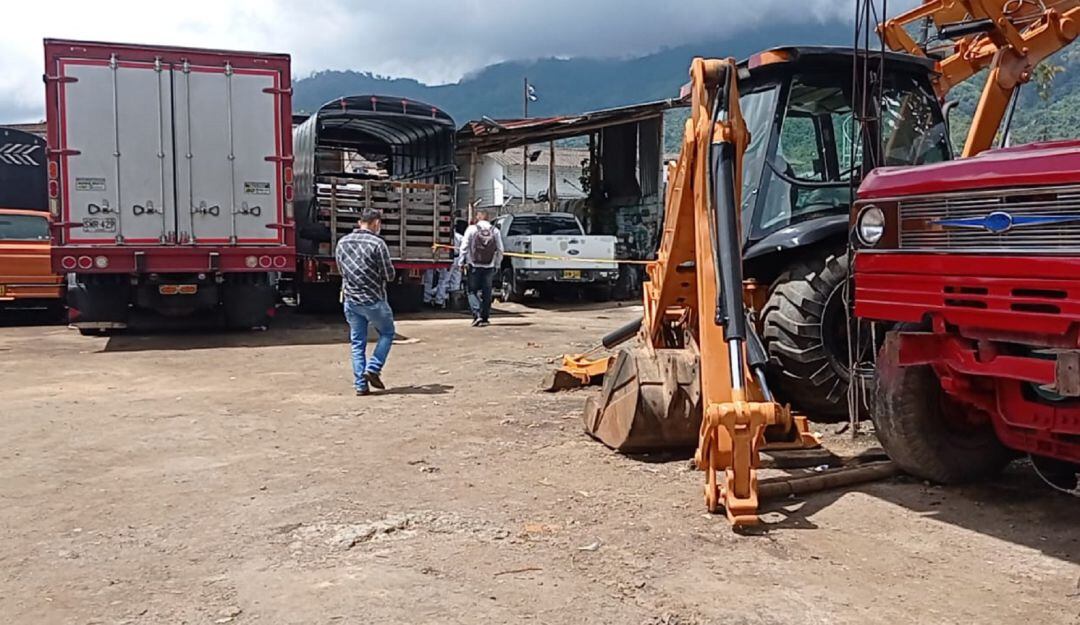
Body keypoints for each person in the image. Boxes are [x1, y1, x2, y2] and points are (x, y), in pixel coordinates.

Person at [335, 207, 396, 396]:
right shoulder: (378, 244)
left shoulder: (342, 243)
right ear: (376, 223)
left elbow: (341, 270)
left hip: (351, 300)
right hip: (373, 299)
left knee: (357, 342)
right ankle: (374, 368)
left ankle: (361, 385)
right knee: (387, 332)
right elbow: (389, 274)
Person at [459, 209, 503, 327]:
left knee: (472, 290)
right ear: (488, 218)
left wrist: (460, 261)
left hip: (473, 265)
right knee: (487, 292)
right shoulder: (495, 231)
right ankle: (485, 317)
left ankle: (477, 314)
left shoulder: (472, 229)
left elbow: (464, 246)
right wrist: (497, 264)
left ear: (477, 217)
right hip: (489, 265)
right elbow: (500, 250)